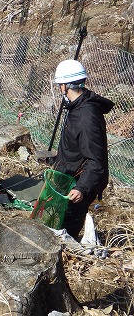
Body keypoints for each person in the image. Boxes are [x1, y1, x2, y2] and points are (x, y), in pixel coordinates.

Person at [52, 59, 113, 241]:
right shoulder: (77, 108)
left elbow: (96, 161)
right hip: (68, 178)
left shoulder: (86, 117)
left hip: (77, 186)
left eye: (59, 85)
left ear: (64, 86)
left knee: (65, 233)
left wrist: (82, 188)